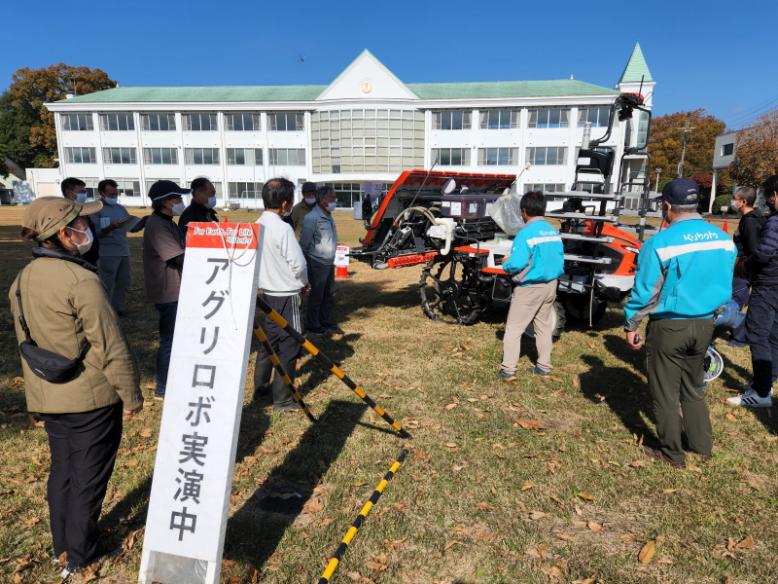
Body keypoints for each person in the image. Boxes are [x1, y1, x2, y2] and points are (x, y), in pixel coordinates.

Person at [9, 197, 143, 578]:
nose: (89, 230)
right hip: (90, 397)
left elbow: (26, 344)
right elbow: (110, 343)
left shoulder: (22, 280)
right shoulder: (82, 280)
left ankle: (63, 547)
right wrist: (131, 395)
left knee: (64, 471)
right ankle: (83, 553)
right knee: (88, 477)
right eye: (82, 224)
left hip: (49, 395)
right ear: (65, 235)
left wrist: (36, 399)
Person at [625, 178, 736, 467]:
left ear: (667, 206)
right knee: (692, 386)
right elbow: (724, 280)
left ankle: (671, 453)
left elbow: (647, 292)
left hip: (670, 325)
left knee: (664, 390)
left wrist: (631, 324)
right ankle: (701, 445)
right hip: (705, 324)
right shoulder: (723, 239)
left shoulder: (660, 243)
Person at [497, 190, 565, 381]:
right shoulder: (553, 232)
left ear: (524, 211)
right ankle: (544, 366)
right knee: (543, 327)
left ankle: (508, 370)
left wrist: (506, 262)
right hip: (551, 285)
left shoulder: (525, 234)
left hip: (530, 288)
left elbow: (517, 263)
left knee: (513, 328)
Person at [254, 178, 309, 410]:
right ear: (285, 203)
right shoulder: (283, 228)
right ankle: (283, 398)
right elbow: (298, 264)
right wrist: (304, 283)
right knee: (290, 344)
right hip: (286, 295)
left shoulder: (256, 225)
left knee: (269, 342)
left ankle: (260, 388)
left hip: (265, 295)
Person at [732, 175, 778, 408]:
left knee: (758, 334)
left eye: (770, 195)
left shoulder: (774, 222)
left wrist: (745, 266)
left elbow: (763, 252)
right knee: (773, 336)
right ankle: (764, 383)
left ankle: (761, 392)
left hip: (768, 285)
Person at [142, 180, 189, 399]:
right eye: (177, 198)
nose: (181, 202)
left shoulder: (168, 222)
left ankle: (174, 380)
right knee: (170, 341)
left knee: (179, 340)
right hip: (168, 291)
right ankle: (163, 387)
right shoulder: (158, 226)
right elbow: (180, 257)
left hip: (177, 289)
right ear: (166, 202)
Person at [300, 185, 342, 336]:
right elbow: (304, 244)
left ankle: (325, 321)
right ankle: (313, 324)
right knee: (316, 295)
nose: (334, 201)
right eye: (332, 198)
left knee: (329, 294)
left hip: (328, 262)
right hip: (316, 262)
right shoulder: (312, 217)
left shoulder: (328, 215)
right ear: (322, 199)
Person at [728, 186, 765, 346]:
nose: (733, 202)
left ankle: (740, 336)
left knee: (736, 298)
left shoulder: (750, 221)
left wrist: (744, 266)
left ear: (743, 201)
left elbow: (753, 249)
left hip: (744, 269)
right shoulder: (749, 218)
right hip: (741, 267)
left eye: (735, 199)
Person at [94, 179, 133, 315]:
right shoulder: (95, 209)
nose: (114, 197)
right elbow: (95, 233)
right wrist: (110, 227)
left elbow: (129, 223)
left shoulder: (120, 208)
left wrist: (138, 223)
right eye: (111, 195)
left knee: (124, 281)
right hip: (107, 252)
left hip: (123, 250)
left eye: (115, 194)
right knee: (107, 282)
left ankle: (117, 308)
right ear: (101, 193)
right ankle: (105, 310)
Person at [61, 177, 100, 266]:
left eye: (85, 191)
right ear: (69, 193)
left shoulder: (82, 210)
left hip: (91, 259)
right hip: (76, 261)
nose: (85, 194)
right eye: (81, 192)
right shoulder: (63, 212)